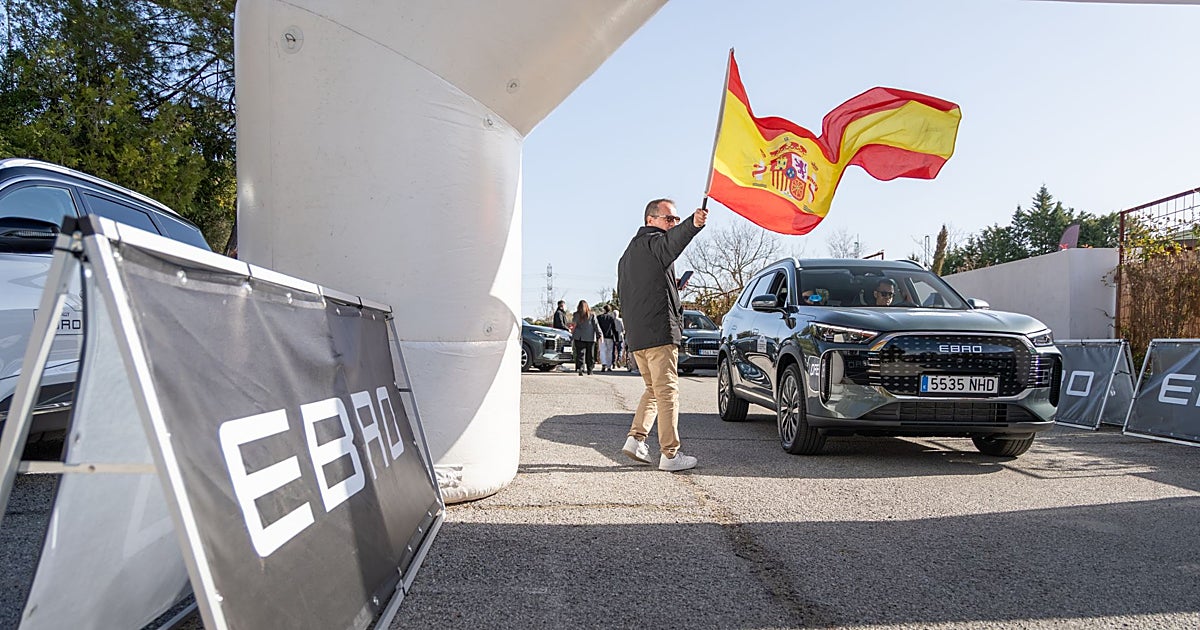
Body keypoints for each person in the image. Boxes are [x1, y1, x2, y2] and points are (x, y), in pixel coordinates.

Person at [616, 198, 707, 472]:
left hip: (639, 336)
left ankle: (636, 439)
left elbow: (639, 291)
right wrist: (693, 223)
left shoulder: (629, 254)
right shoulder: (654, 243)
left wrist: (674, 288)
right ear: (651, 220)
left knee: (653, 390)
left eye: (676, 220)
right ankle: (670, 454)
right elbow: (670, 244)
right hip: (659, 334)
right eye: (669, 219)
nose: (673, 224)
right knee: (668, 392)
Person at [571, 300, 601, 375]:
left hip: (579, 337)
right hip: (590, 337)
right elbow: (596, 325)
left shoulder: (576, 314)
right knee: (590, 354)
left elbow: (573, 325)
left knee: (580, 353)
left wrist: (571, 334)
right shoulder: (592, 315)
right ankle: (590, 370)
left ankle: (581, 368)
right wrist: (600, 334)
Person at [596, 304, 618, 372]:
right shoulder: (611, 318)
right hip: (610, 336)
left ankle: (604, 364)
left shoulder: (599, 317)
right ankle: (609, 366)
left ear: (604, 309)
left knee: (602, 350)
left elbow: (597, 327)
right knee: (609, 351)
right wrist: (616, 338)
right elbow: (614, 328)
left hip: (601, 336)